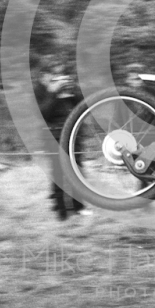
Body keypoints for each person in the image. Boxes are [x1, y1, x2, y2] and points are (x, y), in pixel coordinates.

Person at [34, 57, 89, 220]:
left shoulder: (67, 86)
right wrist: (53, 93)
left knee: (77, 170)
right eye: (54, 74)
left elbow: (84, 105)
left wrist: (74, 89)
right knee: (58, 173)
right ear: (44, 75)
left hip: (73, 134)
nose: (58, 77)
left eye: (61, 73)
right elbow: (43, 114)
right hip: (53, 135)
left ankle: (79, 206)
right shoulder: (39, 90)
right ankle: (62, 211)